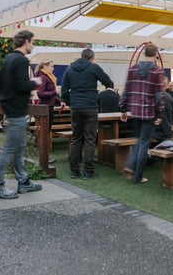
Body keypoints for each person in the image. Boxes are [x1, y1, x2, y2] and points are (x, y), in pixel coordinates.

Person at [0, 30, 43, 199]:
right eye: (32, 42)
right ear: (26, 42)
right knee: (9, 149)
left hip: (10, 108)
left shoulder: (7, 59)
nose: (33, 45)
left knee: (19, 147)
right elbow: (22, 85)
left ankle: (23, 181)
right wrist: (35, 82)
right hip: (17, 110)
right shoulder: (21, 60)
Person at [61, 48, 113, 179]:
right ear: (92, 58)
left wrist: (71, 102)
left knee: (76, 138)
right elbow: (107, 81)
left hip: (76, 107)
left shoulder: (69, 69)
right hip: (90, 106)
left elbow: (64, 91)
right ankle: (88, 171)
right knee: (89, 139)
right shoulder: (93, 67)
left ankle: (74, 170)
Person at [119, 43, 165, 184]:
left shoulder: (133, 69)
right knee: (144, 143)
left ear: (144, 53)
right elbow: (159, 95)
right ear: (156, 54)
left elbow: (126, 90)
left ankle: (130, 166)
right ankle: (137, 176)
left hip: (135, 110)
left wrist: (123, 109)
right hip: (149, 111)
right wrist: (159, 114)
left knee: (139, 140)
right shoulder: (157, 71)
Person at [34, 60, 65, 134]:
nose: (53, 68)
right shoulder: (43, 77)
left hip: (50, 106)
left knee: (48, 129)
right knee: (46, 130)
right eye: (51, 66)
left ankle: (46, 144)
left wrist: (60, 101)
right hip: (45, 107)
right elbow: (40, 94)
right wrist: (55, 92)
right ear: (45, 67)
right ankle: (44, 145)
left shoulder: (50, 77)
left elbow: (53, 94)